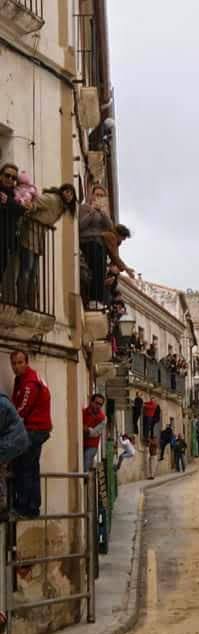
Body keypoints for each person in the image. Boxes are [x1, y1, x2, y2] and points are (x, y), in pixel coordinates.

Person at [19, 183, 77, 312]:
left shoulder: (61, 208)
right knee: (27, 269)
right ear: (61, 191)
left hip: (38, 237)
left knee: (34, 272)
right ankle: (22, 303)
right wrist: (30, 206)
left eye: (72, 193)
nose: (69, 194)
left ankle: (30, 304)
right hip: (30, 232)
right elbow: (36, 201)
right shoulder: (53, 199)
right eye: (67, 191)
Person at [10, 350, 52, 517]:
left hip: (35, 429)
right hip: (37, 428)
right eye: (13, 363)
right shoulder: (21, 379)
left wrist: (9, 425)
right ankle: (33, 507)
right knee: (32, 468)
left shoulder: (30, 382)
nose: (16, 367)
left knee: (23, 466)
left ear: (26, 362)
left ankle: (23, 507)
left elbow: (22, 408)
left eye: (20, 362)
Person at [79, 184, 114, 307]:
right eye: (97, 194)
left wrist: (102, 212)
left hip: (99, 243)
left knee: (100, 271)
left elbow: (110, 227)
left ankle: (98, 300)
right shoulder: (84, 208)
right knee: (93, 269)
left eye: (101, 195)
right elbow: (80, 225)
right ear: (92, 195)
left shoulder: (103, 212)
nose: (98, 197)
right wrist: (92, 211)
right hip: (87, 241)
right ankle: (92, 299)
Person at [0, 392, 30, 514]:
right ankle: (3, 501)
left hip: (13, 442)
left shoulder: (1, 404)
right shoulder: (2, 401)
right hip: (15, 441)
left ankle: (2, 502)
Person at [0, 163, 24, 281]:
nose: (10, 179)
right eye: (7, 175)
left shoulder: (13, 195)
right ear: (1, 176)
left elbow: (22, 210)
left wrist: (8, 202)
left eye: (13, 178)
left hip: (5, 242)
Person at [83, 393, 106, 472]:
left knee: (86, 461)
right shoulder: (84, 412)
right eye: (96, 403)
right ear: (91, 402)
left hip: (92, 446)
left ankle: (85, 481)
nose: (98, 406)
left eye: (100, 404)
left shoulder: (103, 419)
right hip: (82, 443)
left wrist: (86, 429)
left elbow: (95, 433)